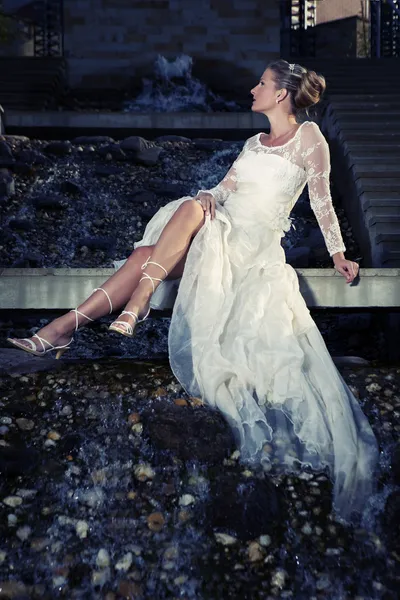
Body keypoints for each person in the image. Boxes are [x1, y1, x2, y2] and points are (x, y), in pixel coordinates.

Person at [8, 59, 379, 523]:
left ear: (282, 94)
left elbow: (322, 201)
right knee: (189, 205)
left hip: (252, 246)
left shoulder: (310, 139)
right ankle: (97, 316)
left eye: (261, 84)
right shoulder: (251, 143)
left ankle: (71, 326)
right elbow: (222, 190)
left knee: (146, 257)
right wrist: (207, 196)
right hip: (218, 228)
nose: (252, 89)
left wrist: (339, 252)